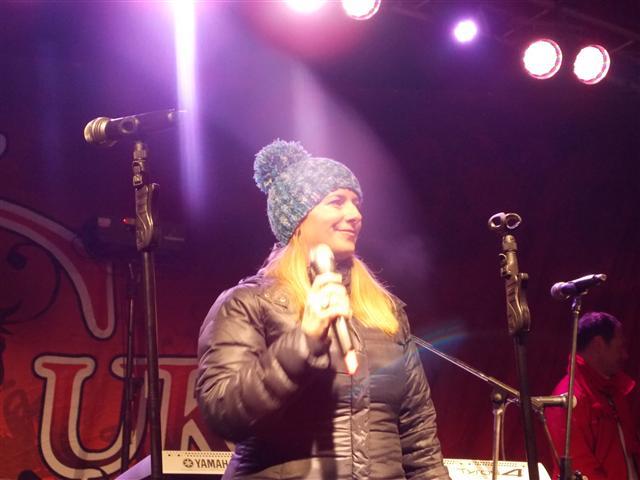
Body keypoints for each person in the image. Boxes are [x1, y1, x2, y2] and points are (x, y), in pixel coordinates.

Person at [196, 139, 451, 479]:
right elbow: (223, 414)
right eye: (337, 202)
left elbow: (419, 437)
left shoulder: (385, 311)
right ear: (298, 219)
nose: (355, 215)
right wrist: (303, 341)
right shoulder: (247, 303)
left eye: (356, 203)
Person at [546, 311, 639, 480]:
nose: (625, 355)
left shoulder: (613, 390)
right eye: (620, 347)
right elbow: (580, 469)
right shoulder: (567, 399)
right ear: (598, 345)